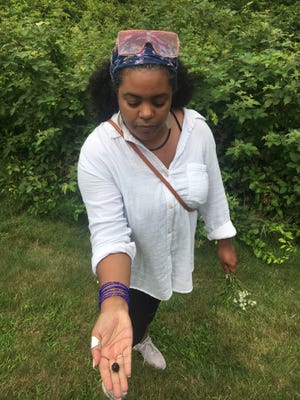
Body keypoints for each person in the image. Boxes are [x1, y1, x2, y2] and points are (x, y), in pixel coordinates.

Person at [78, 29, 238, 400]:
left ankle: (142, 335)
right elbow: (109, 231)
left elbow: (213, 188)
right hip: (126, 265)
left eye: (159, 100)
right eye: (132, 101)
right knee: (132, 306)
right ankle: (126, 335)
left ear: (175, 95)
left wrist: (224, 240)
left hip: (172, 249)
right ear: (113, 94)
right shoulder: (100, 150)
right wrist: (114, 298)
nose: (146, 113)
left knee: (153, 302)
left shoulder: (196, 130)